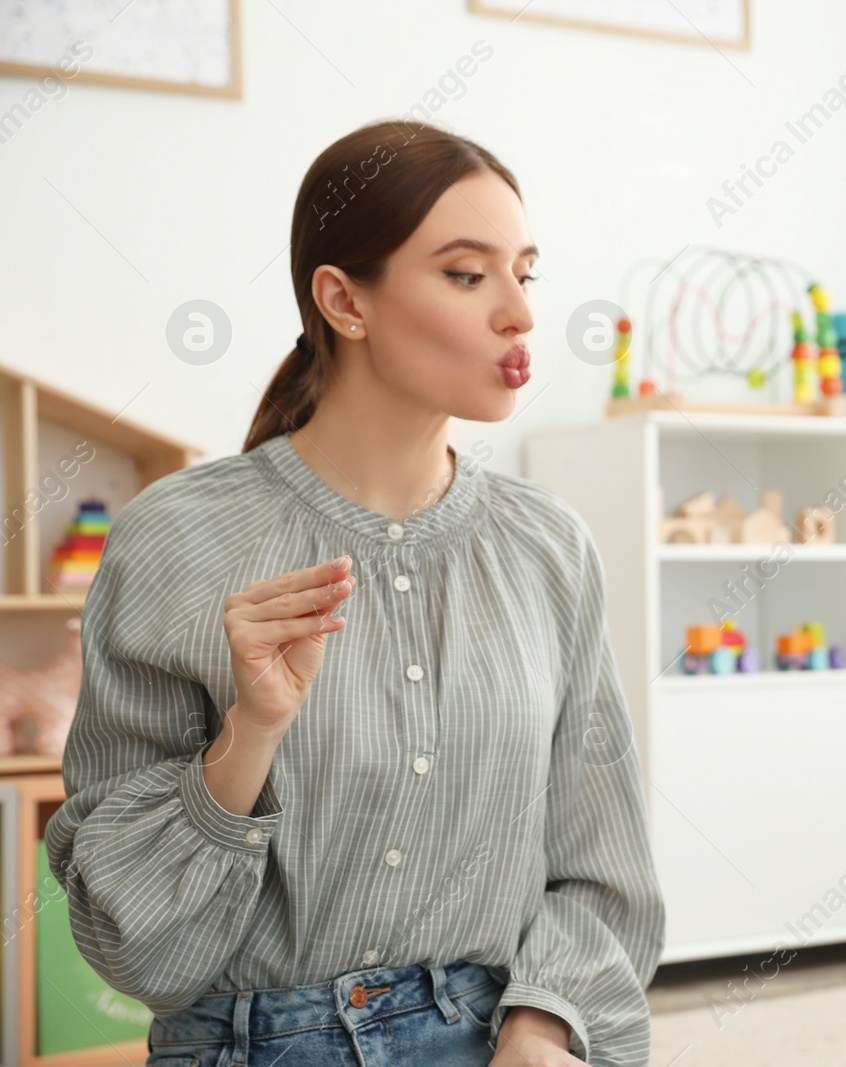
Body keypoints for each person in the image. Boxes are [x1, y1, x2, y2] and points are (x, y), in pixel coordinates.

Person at [44, 119, 664, 1067]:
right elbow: (138, 945)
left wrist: (545, 1025)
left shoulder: (550, 547)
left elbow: (602, 863)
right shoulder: (175, 535)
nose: (521, 315)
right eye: (468, 275)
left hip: (500, 1040)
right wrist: (249, 732)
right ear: (343, 300)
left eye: (524, 274)